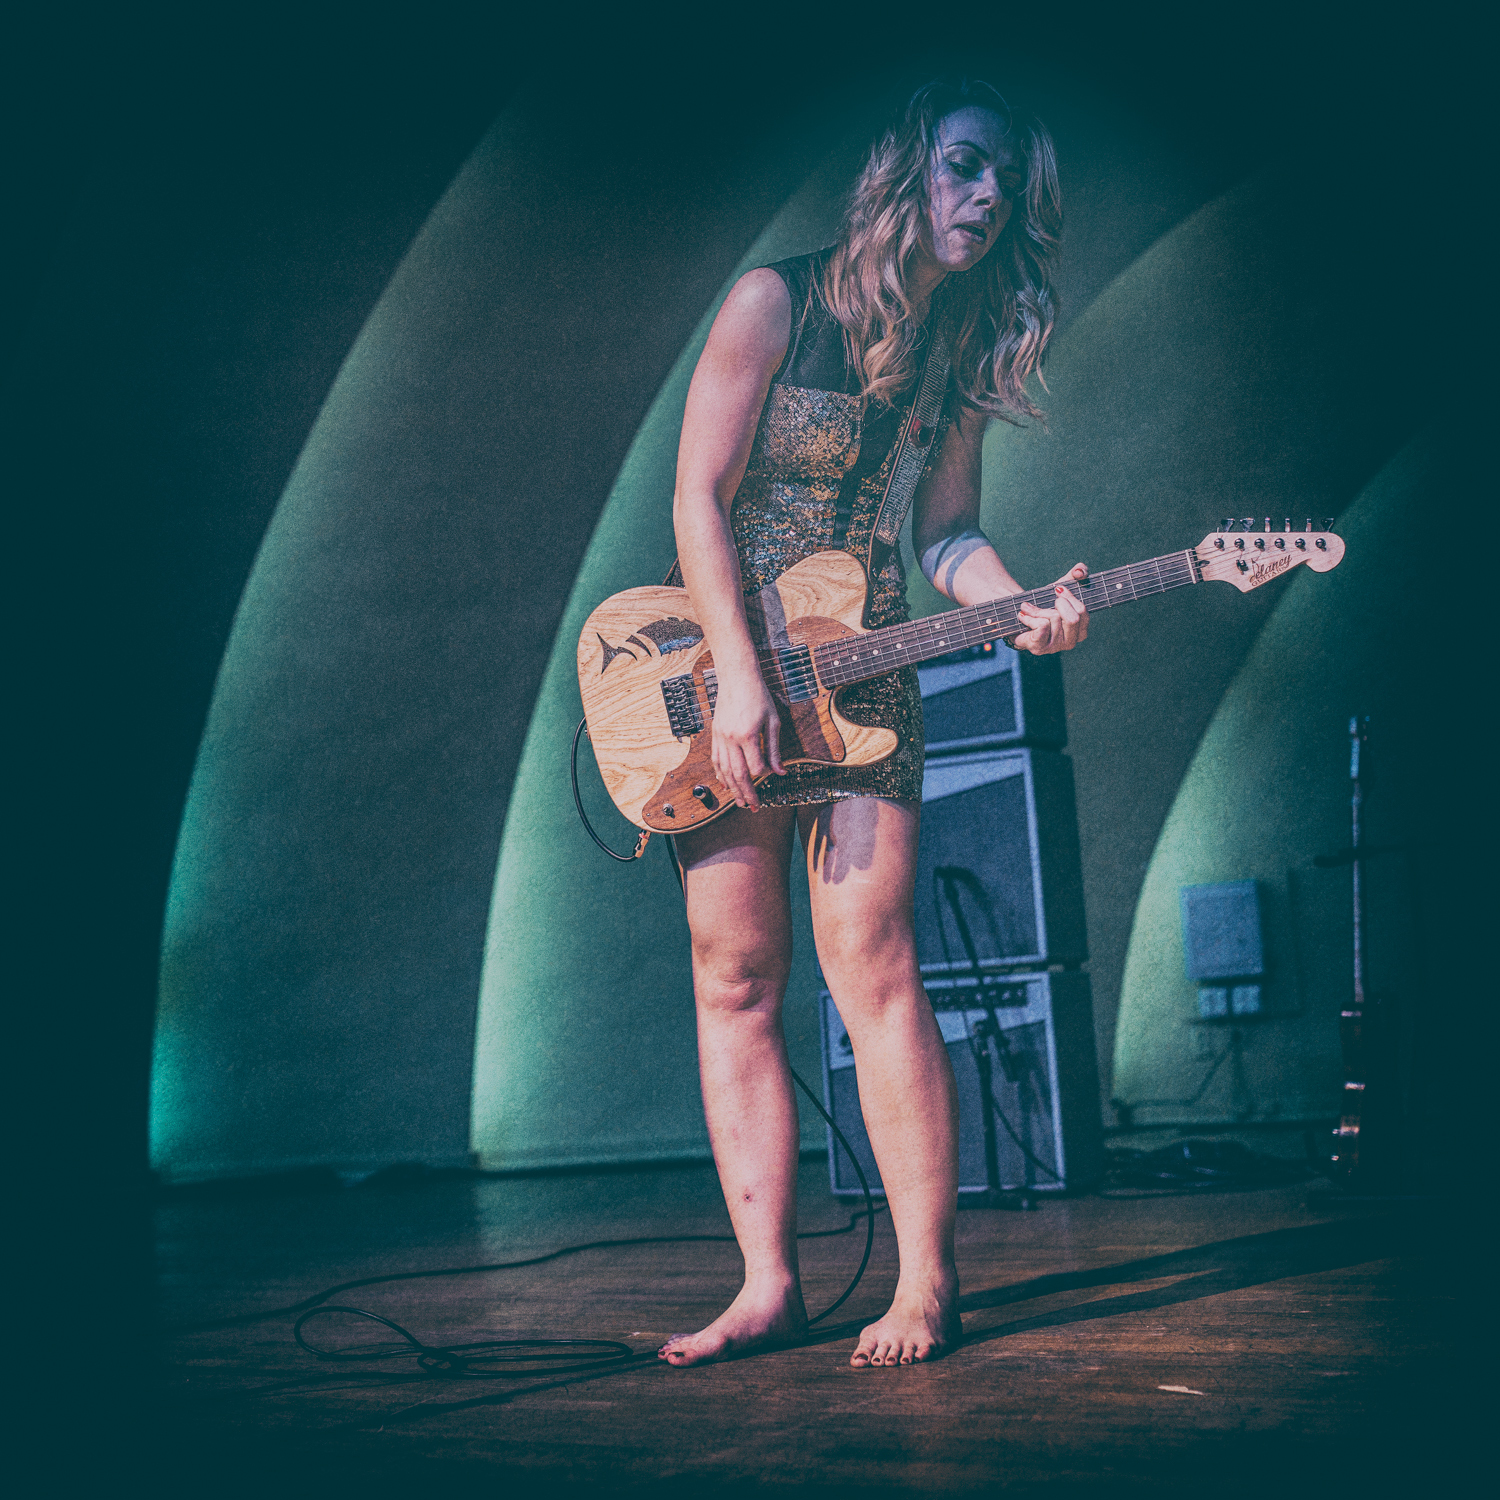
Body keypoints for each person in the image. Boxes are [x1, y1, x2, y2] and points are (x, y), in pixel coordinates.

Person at [661, 78, 1089, 1371]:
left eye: (1005, 179)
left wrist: (1018, 604)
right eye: (967, 165)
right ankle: (767, 1286)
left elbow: (945, 533)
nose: (989, 195)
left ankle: (924, 1284)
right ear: (906, 169)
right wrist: (742, 677)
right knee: (735, 975)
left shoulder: (964, 349)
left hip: (865, 675)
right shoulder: (774, 302)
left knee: (877, 966)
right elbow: (698, 495)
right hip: (727, 669)